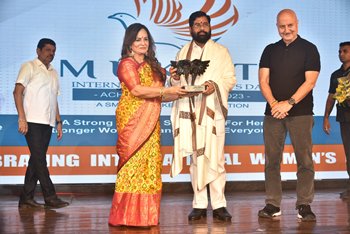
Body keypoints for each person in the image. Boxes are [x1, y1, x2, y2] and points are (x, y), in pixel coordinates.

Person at [108, 23, 188, 227]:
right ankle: (125, 216)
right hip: (132, 121)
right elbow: (136, 90)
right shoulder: (126, 64)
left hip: (151, 124)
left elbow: (162, 97)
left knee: (149, 166)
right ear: (130, 43)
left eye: (145, 39)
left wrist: (176, 84)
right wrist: (167, 92)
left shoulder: (156, 68)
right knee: (132, 166)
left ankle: (145, 217)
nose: (142, 43)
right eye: (138, 40)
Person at [169, 11, 236, 222]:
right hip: (190, 112)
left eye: (205, 24)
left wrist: (213, 86)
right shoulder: (183, 53)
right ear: (190, 29)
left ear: (210, 26)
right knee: (196, 159)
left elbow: (230, 79)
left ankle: (219, 204)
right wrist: (174, 78)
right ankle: (198, 204)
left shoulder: (221, 52)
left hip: (212, 111)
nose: (201, 28)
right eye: (197, 24)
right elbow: (177, 86)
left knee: (215, 157)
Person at [257, 9, 320, 222]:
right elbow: (263, 81)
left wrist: (289, 104)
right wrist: (275, 104)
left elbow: (310, 82)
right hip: (273, 113)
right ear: (277, 27)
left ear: (297, 24)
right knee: (271, 161)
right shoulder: (269, 50)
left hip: (301, 113)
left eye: (290, 25)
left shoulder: (310, 49)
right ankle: (273, 204)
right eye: (282, 26)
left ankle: (304, 204)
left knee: (305, 161)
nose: (286, 30)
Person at [13, 38, 69, 209]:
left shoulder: (53, 72)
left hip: (48, 122)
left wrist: (59, 121)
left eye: (53, 51)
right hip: (32, 121)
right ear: (38, 51)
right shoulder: (29, 66)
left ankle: (26, 199)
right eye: (47, 50)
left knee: (35, 161)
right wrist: (21, 118)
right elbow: (17, 92)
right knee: (40, 160)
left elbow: (54, 99)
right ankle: (50, 196)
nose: (51, 54)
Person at [323, 41, 350, 199]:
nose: (341, 54)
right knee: (349, 152)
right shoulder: (336, 74)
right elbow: (331, 97)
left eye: (345, 51)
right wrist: (326, 117)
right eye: (339, 51)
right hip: (344, 118)